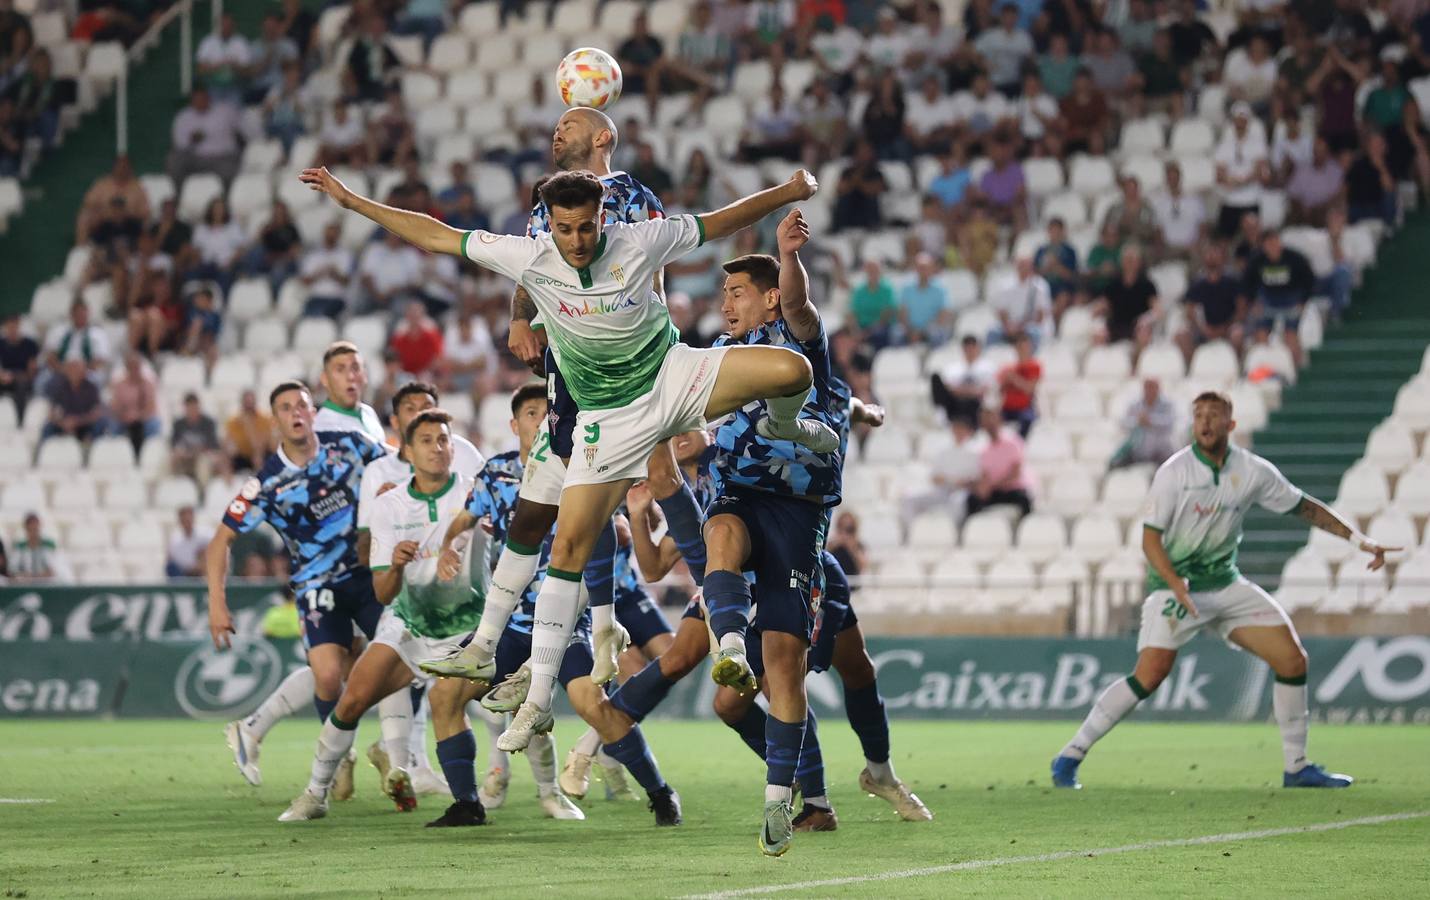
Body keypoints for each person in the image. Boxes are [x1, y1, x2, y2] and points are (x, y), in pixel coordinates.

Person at [301, 136, 836, 756]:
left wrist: (789, 193)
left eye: (586, 227)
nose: (577, 240)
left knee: (791, 372)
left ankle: (791, 425)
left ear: (604, 218)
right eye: (565, 229)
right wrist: (350, 200)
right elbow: (435, 235)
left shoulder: (640, 241)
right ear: (548, 225)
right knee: (570, 546)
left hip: (671, 377)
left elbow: (720, 223)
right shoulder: (530, 257)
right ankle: (535, 704)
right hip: (607, 421)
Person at [1052, 392, 1395, 790]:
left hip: (1226, 585)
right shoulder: (1174, 472)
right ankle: (1069, 757)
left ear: (1230, 425)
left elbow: (1304, 506)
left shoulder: (1251, 471)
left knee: (1292, 661)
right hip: (1174, 587)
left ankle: (1297, 767)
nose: (1205, 422)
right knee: (1150, 675)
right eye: (1198, 414)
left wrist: (1358, 540)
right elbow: (1150, 541)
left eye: (1214, 415)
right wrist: (1175, 582)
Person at [422, 385, 683, 827]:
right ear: (515, 424)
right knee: (443, 696)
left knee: (591, 703)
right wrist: (452, 546)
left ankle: (660, 792)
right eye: (532, 412)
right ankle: (467, 803)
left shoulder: (589, 461)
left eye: (549, 410)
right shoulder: (498, 473)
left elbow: (648, 513)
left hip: (566, 616)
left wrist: (627, 519)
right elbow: (464, 523)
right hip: (513, 622)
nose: (544, 418)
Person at [697, 220, 848, 856]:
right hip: (739, 491)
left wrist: (787, 256)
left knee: (785, 663)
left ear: (765, 299)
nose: (726, 302)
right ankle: (729, 639)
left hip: (798, 509)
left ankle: (779, 799)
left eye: (737, 292)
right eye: (723, 292)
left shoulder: (796, 340)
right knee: (721, 531)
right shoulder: (715, 357)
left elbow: (799, 303)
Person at [276, 409, 493, 823]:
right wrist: (395, 564)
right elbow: (382, 592)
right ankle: (315, 793)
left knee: (472, 705)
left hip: (469, 628)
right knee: (353, 698)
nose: (437, 448)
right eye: (426, 441)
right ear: (407, 451)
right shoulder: (389, 506)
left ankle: (533, 791)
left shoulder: (476, 495)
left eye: (443, 439)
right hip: (409, 621)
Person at [210, 381, 389, 796]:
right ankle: (341, 754)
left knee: (389, 662)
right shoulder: (266, 484)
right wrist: (217, 604)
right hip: (316, 584)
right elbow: (220, 541)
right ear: (275, 421)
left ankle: (400, 754)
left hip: (367, 576)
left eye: (302, 406)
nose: (295, 413)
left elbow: (398, 468)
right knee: (328, 676)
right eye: (286, 407)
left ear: (313, 412)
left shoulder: (351, 445)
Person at [1243, 231, 1315, 366]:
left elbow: (1309, 281)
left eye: (1275, 243)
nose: (1273, 247)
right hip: (1267, 300)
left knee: (1290, 335)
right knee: (1261, 334)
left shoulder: (1295, 259)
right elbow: (1247, 284)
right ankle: (1266, 366)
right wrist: (1253, 302)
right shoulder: (1256, 261)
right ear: (1263, 246)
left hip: (1291, 299)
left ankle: (1296, 367)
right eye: (1269, 244)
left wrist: (1302, 301)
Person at [899, 417, 985, 529]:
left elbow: (978, 479)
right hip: (942, 489)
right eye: (956, 429)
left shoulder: (977, 452)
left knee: (958, 502)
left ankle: (953, 534)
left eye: (961, 429)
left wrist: (964, 483)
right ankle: (911, 532)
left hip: (963, 491)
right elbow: (934, 477)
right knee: (909, 499)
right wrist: (950, 480)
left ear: (969, 431)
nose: (958, 432)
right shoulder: (943, 451)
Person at [1177, 243, 1246, 361]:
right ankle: (1192, 367)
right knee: (1182, 335)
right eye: (1209, 254)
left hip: (1228, 327)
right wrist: (1203, 328)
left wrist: (1224, 327)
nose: (1212, 257)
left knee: (1237, 335)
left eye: (1215, 254)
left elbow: (1241, 309)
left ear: (1222, 258)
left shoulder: (1233, 280)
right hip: (1205, 328)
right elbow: (1189, 312)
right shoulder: (1198, 283)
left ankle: (1237, 367)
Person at [966, 405, 1033, 519]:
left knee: (1024, 499)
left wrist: (993, 485)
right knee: (972, 500)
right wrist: (981, 487)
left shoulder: (1013, 442)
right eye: (985, 420)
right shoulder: (983, 449)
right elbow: (985, 475)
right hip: (995, 490)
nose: (988, 423)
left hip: (1013, 489)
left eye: (991, 418)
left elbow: (1015, 473)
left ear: (999, 419)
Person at [1213, 102, 1269, 237]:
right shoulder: (1224, 145)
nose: (1241, 121)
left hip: (1251, 199)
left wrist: (1239, 182)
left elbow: (1260, 170)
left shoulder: (1258, 144)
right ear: (1233, 120)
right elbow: (1219, 176)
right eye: (1238, 117)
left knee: (1253, 238)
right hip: (1230, 200)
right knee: (1224, 238)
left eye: (1244, 118)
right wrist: (1235, 182)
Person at [167, 87, 242, 186]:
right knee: (174, 160)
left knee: (228, 169)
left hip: (223, 157)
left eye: (203, 99)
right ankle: (177, 195)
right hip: (196, 158)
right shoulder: (183, 117)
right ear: (192, 101)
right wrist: (192, 140)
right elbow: (179, 145)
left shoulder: (224, 111)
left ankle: (226, 199)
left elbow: (241, 128)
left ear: (209, 98)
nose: (200, 102)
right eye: (197, 100)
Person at [314, 340, 386, 441]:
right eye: (340, 370)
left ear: (365, 376)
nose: (350, 376)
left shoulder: (368, 412)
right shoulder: (321, 428)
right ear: (324, 379)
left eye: (355, 368)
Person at [1097, 242, 1159, 351]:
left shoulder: (1147, 284)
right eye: (1127, 259)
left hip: (1138, 326)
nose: (1129, 263)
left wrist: (1146, 319)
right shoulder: (1113, 284)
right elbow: (1102, 305)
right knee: (1098, 334)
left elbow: (1157, 310)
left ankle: (1137, 366)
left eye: (1133, 260)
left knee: (1144, 334)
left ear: (1139, 263)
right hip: (1116, 325)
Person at [1110, 378, 1177, 469]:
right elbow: (1124, 423)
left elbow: (1170, 422)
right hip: (1138, 449)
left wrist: (1151, 421)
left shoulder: (1167, 404)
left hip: (1161, 450)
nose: (1149, 391)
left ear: (1158, 389)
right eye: (1147, 388)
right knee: (1116, 462)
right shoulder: (1135, 404)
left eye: (1152, 388)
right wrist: (1138, 421)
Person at [931, 335, 995, 425]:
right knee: (935, 378)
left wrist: (964, 391)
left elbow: (987, 389)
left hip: (977, 403)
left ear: (978, 348)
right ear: (963, 349)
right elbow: (949, 388)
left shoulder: (988, 367)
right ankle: (941, 415)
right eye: (967, 348)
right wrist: (969, 390)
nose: (970, 351)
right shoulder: (953, 368)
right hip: (956, 402)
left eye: (972, 347)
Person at [988, 255, 1051, 348]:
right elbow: (1001, 311)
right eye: (1020, 265)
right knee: (992, 333)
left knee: (1035, 333)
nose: (1023, 268)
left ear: (1031, 266)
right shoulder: (1005, 285)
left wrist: (1021, 327)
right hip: (1009, 327)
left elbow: (1040, 316)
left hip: (1030, 326)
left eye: (1025, 265)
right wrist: (1008, 326)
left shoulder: (1039, 286)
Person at [1150, 161, 1207, 259]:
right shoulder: (1159, 203)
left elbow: (1202, 226)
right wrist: (1161, 247)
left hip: (1191, 247)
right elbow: (1157, 229)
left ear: (1180, 177)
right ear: (1166, 179)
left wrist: (1197, 245)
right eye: (1170, 177)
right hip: (1169, 248)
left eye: (1175, 177)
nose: (1173, 180)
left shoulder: (1194, 201)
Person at [42, 358, 106, 443]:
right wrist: (62, 422)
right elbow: (51, 413)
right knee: (48, 428)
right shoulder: (60, 387)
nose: (74, 372)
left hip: (84, 423)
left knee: (99, 425)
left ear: (84, 372)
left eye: (77, 369)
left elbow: (96, 413)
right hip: (64, 423)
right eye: (71, 369)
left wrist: (77, 421)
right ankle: (46, 451)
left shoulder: (91, 388)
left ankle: (90, 451)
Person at [108, 351, 160, 454]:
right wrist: (126, 416)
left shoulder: (147, 384)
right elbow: (114, 407)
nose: (134, 370)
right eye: (131, 367)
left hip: (143, 418)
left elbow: (151, 407)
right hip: (124, 419)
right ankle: (117, 455)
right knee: (112, 426)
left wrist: (137, 416)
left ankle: (148, 454)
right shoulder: (119, 385)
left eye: (136, 367)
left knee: (154, 424)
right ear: (127, 368)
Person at [1287, 136, 1344, 226]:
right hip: (1303, 213)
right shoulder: (1302, 169)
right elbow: (1292, 194)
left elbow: (1338, 196)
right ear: (1313, 152)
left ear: (1327, 152)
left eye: (1322, 151)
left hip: (1325, 212)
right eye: (1316, 151)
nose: (1318, 154)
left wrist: (1320, 208)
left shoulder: (1335, 171)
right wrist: (1303, 209)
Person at [898, 252, 951, 345]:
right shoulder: (907, 289)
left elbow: (943, 315)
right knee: (896, 334)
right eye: (920, 268)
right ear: (916, 269)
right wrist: (910, 330)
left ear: (932, 269)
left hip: (931, 328)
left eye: (925, 268)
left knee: (937, 334)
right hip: (911, 329)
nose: (923, 271)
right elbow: (903, 314)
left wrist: (923, 332)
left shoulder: (940, 290)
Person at [996, 333, 1040, 437]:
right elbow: (1000, 389)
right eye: (1020, 347)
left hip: (1024, 408)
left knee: (1027, 421)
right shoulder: (1008, 367)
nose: (1023, 350)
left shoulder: (1034, 366)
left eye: (1025, 347)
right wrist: (1006, 381)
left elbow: (1030, 389)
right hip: (1006, 408)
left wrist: (1014, 379)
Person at [169, 392, 220, 481]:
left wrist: (196, 451)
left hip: (202, 456)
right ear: (185, 408)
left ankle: (202, 492)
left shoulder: (208, 423)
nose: (192, 411)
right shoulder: (179, 424)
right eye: (190, 408)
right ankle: (168, 488)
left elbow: (213, 446)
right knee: (170, 460)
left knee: (203, 463)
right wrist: (179, 452)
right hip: (184, 456)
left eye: (194, 408)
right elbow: (174, 444)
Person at [10, 513, 74, 583]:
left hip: (47, 584)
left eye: (35, 528)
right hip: (25, 583)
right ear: (26, 529)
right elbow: (13, 570)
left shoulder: (49, 545)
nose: (33, 532)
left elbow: (55, 569)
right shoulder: (20, 546)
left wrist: (41, 575)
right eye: (30, 529)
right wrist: (26, 575)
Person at [849, 259, 898, 348]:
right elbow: (853, 313)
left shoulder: (887, 290)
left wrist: (868, 332)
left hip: (881, 327)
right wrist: (855, 330)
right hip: (862, 327)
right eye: (870, 270)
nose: (872, 273)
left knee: (878, 336)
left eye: (875, 270)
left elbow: (887, 314)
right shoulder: (859, 291)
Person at [388, 300, 444, 377]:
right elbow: (394, 361)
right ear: (406, 316)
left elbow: (439, 358)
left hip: (428, 375)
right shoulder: (399, 338)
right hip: (405, 377)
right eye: (411, 314)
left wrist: (426, 373)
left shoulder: (432, 336)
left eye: (416, 314)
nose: (414, 317)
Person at [225, 388, 276, 471]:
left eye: (251, 403)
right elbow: (229, 444)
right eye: (247, 403)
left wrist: (248, 427)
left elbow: (262, 444)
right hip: (241, 456)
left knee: (261, 458)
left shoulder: (264, 419)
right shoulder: (234, 422)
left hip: (261, 454)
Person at [0, 313, 39, 418]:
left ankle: (20, 419)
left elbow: (32, 368)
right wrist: (2, 375)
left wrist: (23, 376)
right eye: (9, 327)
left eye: (15, 326)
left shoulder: (30, 344)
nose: (12, 330)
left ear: (19, 326)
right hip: (5, 377)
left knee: (21, 384)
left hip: (23, 378)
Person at [166, 506, 213, 578]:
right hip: (183, 574)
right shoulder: (175, 539)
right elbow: (172, 560)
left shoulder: (206, 534)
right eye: (183, 519)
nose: (186, 521)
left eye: (188, 518)